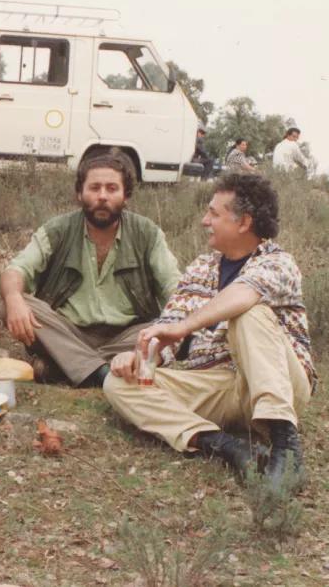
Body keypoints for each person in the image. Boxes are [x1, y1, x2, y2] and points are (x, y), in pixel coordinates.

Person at [104, 174, 315, 493]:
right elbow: (169, 329)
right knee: (117, 381)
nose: (205, 221)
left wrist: (185, 326)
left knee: (248, 313)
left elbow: (243, 294)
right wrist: (139, 359)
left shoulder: (279, 262)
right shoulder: (201, 267)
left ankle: (286, 448)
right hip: (217, 386)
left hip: (280, 384)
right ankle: (226, 446)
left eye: (214, 213)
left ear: (244, 222)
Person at [0, 153, 180, 387]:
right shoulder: (57, 230)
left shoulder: (147, 234)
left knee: (164, 327)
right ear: (79, 193)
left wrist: (176, 326)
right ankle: (103, 372)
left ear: (126, 196)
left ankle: (67, 367)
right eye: (94, 188)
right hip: (67, 333)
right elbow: (16, 270)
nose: (102, 196)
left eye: (112, 188)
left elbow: (174, 288)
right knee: (9, 303)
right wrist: (14, 297)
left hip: (126, 337)